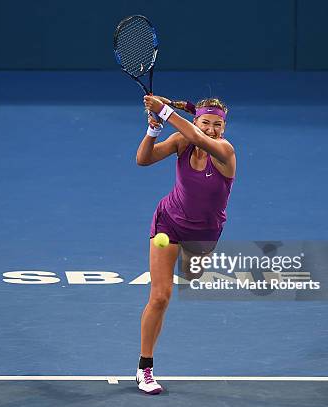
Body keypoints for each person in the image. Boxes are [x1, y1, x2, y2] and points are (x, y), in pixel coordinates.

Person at [134, 95, 236, 394]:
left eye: (218, 125)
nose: (213, 129)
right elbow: (143, 159)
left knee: (191, 275)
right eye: (206, 122)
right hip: (169, 221)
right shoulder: (182, 140)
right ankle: (145, 368)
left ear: (224, 128)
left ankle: (191, 263)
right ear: (196, 121)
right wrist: (154, 128)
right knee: (161, 296)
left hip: (205, 232)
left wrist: (166, 110)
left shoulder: (225, 151)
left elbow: (195, 135)